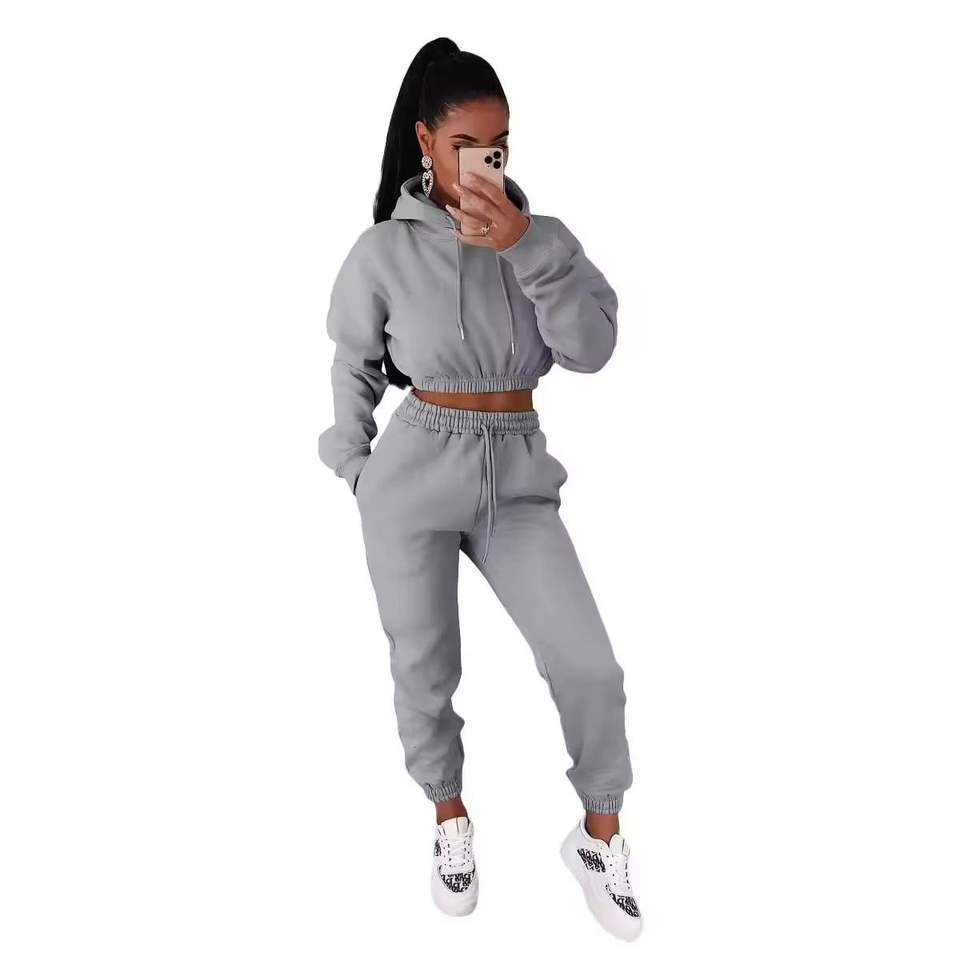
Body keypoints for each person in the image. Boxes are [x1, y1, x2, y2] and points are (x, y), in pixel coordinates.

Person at [318, 37, 641, 941]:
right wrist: (356, 465)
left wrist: (526, 248)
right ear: (426, 142)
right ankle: (448, 815)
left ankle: (599, 834)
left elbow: (591, 351)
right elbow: (352, 362)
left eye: (498, 145)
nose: (483, 164)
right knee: (424, 668)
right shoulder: (382, 250)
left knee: (590, 667)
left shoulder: (544, 240)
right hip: (414, 470)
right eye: (464, 144)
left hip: (518, 472)